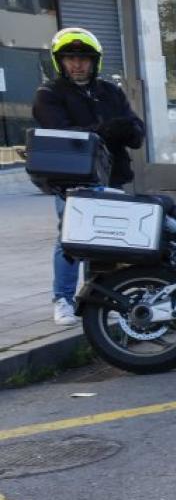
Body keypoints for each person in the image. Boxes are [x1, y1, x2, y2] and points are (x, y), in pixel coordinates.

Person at [30, 27, 144, 326]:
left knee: (109, 239)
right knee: (70, 239)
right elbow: (60, 132)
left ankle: (101, 299)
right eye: (70, 58)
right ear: (60, 61)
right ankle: (63, 299)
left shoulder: (110, 92)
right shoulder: (49, 94)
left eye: (83, 58)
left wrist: (130, 130)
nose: (77, 64)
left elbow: (135, 128)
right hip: (72, 177)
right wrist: (103, 131)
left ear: (95, 62)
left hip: (112, 176)